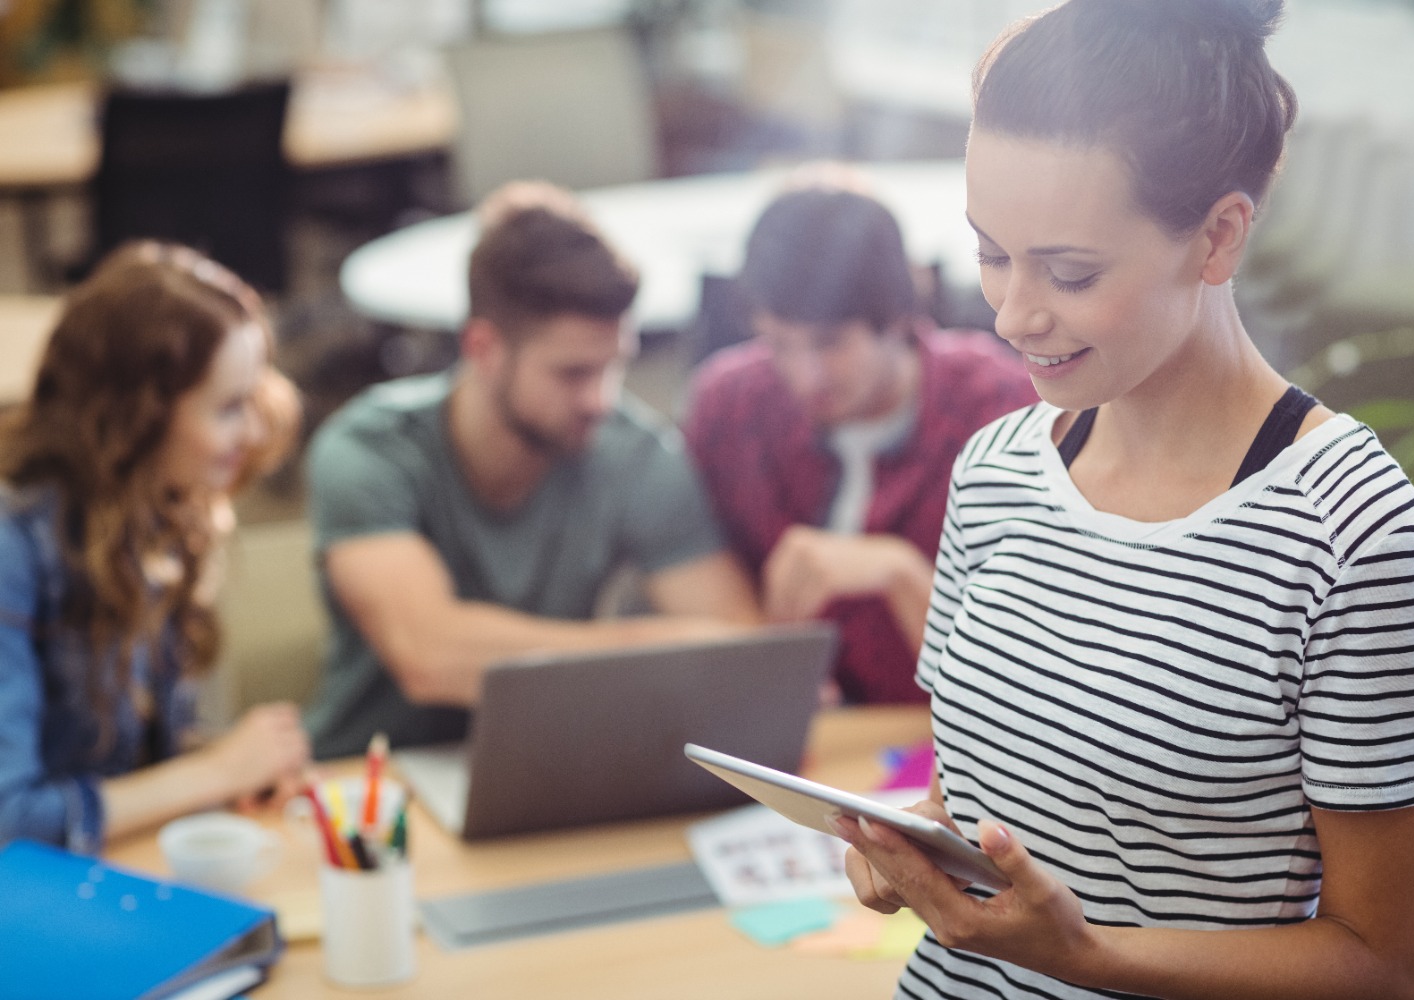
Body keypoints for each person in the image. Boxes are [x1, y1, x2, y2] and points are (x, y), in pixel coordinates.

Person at [831, 2, 1414, 998]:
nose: (1012, 313)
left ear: (1217, 238)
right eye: (992, 252)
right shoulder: (994, 470)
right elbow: (980, 798)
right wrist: (910, 852)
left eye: (1069, 271)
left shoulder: (1355, 540)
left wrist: (1089, 957)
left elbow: (1383, 966)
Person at [303, 180, 761, 759]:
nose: (600, 398)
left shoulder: (635, 450)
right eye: (572, 373)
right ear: (483, 348)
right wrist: (652, 647)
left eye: (613, 366)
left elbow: (747, 653)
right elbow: (431, 657)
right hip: (369, 778)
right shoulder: (370, 449)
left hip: (544, 770)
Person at [0, 241, 311, 853]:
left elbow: (121, 759)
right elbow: (10, 819)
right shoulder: (14, 549)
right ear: (135, 419)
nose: (251, 431)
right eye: (227, 408)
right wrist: (214, 774)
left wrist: (229, 765)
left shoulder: (159, 510)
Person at [682, 171, 1036, 704]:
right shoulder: (729, 408)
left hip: (944, 744)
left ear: (897, 316)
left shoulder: (998, 412)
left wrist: (900, 573)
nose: (806, 376)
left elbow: (1026, 672)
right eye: (778, 343)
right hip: (794, 753)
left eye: (830, 344)